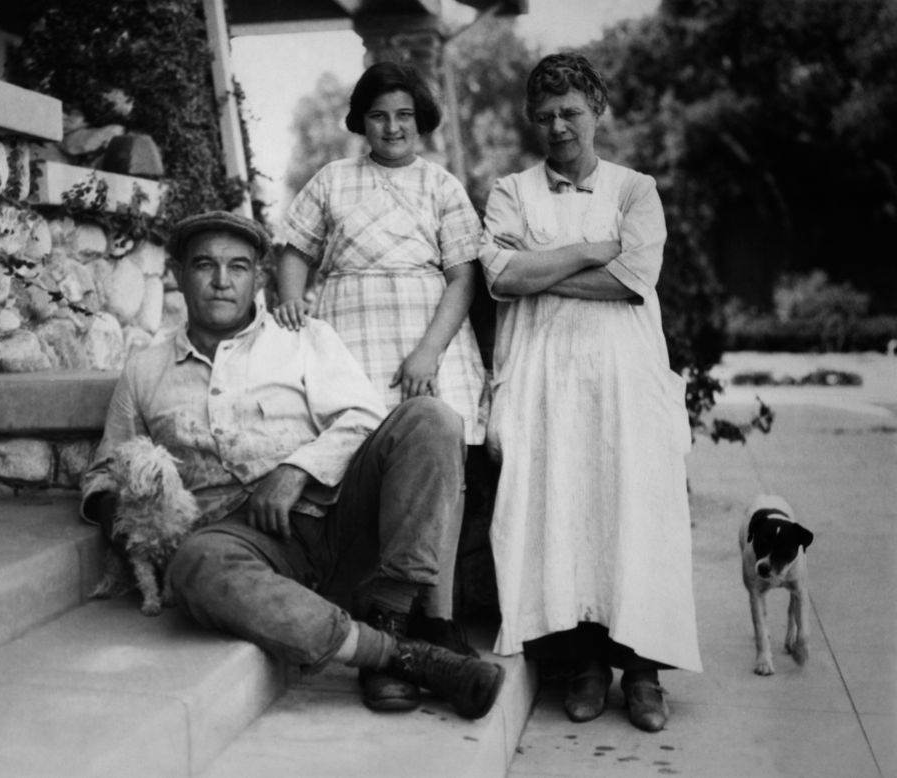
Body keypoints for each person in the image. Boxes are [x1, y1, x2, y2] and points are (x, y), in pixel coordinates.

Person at [81, 210, 505, 719]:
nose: (221, 281)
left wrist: (296, 470)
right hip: (243, 544)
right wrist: (126, 521)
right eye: (204, 265)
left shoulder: (303, 337)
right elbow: (105, 469)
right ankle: (398, 657)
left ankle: (391, 612)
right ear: (176, 273)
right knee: (194, 564)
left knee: (431, 419)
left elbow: (364, 415)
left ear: (258, 277)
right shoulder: (145, 370)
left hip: (338, 520)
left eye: (238, 267)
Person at [478, 53, 701, 733]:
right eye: (544, 115)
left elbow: (633, 278)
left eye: (570, 112)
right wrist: (584, 251)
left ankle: (640, 672)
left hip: (623, 378)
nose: (558, 126)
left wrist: (539, 268)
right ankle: (580, 666)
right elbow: (501, 276)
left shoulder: (635, 189)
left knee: (630, 512)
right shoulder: (510, 191)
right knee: (560, 512)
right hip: (543, 376)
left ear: (597, 110)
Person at [274, 62, 487, 643]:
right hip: (349, 335)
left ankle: (437, 618)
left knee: (440, 470)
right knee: (358, 462)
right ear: (361, 121)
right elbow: (294, 248)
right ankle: (375, 607)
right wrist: (292, 301)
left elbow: (463, 277)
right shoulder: (333, 179)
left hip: (427, 336)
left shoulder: (441, 184)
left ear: (421, 122)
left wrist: (428, 353)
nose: (392, 128)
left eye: (404, 117)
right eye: (379, 116)